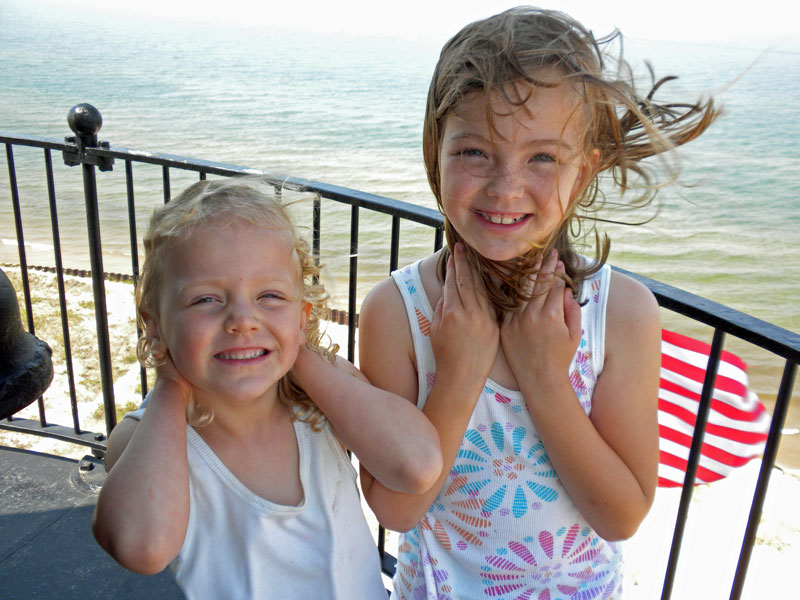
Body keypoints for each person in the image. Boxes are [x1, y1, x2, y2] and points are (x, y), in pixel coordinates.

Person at [358, 7, 718, 598]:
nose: (505, 187)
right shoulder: (396, 312)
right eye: (475, 152)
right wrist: (462, 373)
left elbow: (621, 514)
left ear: (584, 170)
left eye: (543, 158)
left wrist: (546, 380)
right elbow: (396, 508)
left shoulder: (621, 313)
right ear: (435, 148)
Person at [91, 177, 442, 599]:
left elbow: (417, 464)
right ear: (155, 323)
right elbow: (141, 547)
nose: (243, 319)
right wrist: (169, 383)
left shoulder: (319, 397)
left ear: (301, 313)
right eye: (205, 300)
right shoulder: (147, 438)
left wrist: (298, 350)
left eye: (271, 296)